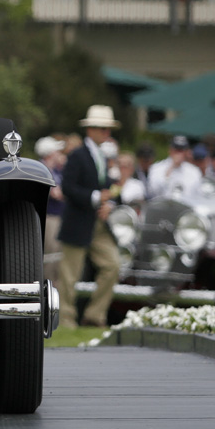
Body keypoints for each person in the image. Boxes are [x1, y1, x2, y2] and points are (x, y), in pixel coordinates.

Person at [56, 105, 122, 329]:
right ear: (91, 129)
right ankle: (66, 321)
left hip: (98, 223)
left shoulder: (102, 156)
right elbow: (67, 188)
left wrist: (109, 203)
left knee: (112, 265)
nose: (107, 133)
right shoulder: (77, 155)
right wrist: (95, 197)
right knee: (69, 275)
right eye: (103, 129)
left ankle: (94, 316)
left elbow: (109, 188)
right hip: (78, 222)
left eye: (108, 129)